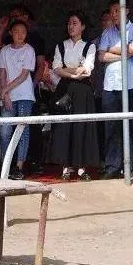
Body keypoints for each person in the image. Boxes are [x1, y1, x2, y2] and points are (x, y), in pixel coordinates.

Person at [97, 0, 133, 182]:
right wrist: (124, 54)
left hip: (132, 83)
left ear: (127, 10)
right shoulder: (107, 32)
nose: (114, 14)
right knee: (112, 126)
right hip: (111, 85)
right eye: (112, 11)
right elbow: (101, 56)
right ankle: (113, 166)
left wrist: (112, 49)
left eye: (117, 10)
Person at [49, 11, 100, 181]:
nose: (71, 26)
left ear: (83, 26)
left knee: (81, 126)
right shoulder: (60, 46)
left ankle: (81, 167)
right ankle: (65, 166)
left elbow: (87, 70)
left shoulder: (89, 46)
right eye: (69, 23)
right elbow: (56, 68)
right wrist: (73, 73)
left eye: (75, 23)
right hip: (65, 89)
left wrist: (68, 70)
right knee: (64, 127)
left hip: (83, 91)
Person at [0, 20, 37, 180]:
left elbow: (24, 75)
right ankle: (5, 165)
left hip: (24, 95)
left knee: (22, 131)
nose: (20, 35)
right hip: (8, 95)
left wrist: (5, 90)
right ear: (10, 33)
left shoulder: (29, 50)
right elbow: (2, 73)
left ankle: (19, 166)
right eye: (16, 31)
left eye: (23, 32)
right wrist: (5, 94)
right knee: (5, 131)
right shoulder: (5, 51)